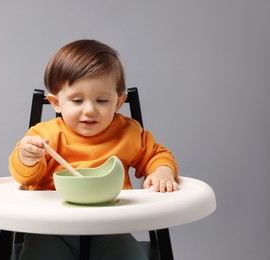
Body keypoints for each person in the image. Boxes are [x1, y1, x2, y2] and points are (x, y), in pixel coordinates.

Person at [9, 39, 178, 260]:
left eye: (101, 100)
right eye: (77, 100)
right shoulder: (44, 136)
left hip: (110, 230)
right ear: (56, 103)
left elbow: (157, 154)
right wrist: (27, 157)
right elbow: (25, 177)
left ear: (118, 102)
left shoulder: (127, 132)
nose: (89, 110)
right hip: (52, 230)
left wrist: (162, 171)